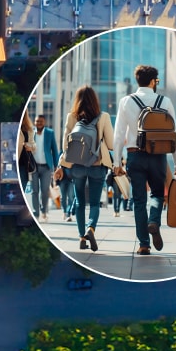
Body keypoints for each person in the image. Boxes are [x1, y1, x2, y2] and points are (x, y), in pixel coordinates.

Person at [113, 65, 176, 255]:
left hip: (135, 155)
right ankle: (154, 221)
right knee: (158, 194)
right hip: (158, 156)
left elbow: (119, 134)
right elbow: (174, 134)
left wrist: (117, 163)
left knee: (138, 200)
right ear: (153, 81)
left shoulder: (126, 101)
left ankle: (144, 244)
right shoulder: (165, 101)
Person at [54, 86, 115, 252]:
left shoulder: (71, 117)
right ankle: (91, 228)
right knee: (94, 203)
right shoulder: (104, 117)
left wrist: (61, 166)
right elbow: (110, 144)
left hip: (77, 166)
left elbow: (65, 146)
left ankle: (82, 237)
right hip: (97, 165)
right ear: (95, 100)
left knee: (80, 202)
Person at [30, 114, 60, 222]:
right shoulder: (30, 133)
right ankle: (36, 213)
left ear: (44, 122)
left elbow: (54, 150)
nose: (39, 123)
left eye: (41, 121)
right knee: (34, 191)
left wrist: (57, 166)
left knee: (45, 190)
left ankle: (44, 211)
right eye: (37, 121)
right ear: (34, 122)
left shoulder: (49, 133)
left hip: (46, 167)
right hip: (33, 167)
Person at [17, 110, 36, 188]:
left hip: (23, 163)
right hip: (14, 161)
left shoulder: (28, 128)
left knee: (22, 187)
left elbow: (33, 144)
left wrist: (30, 147)